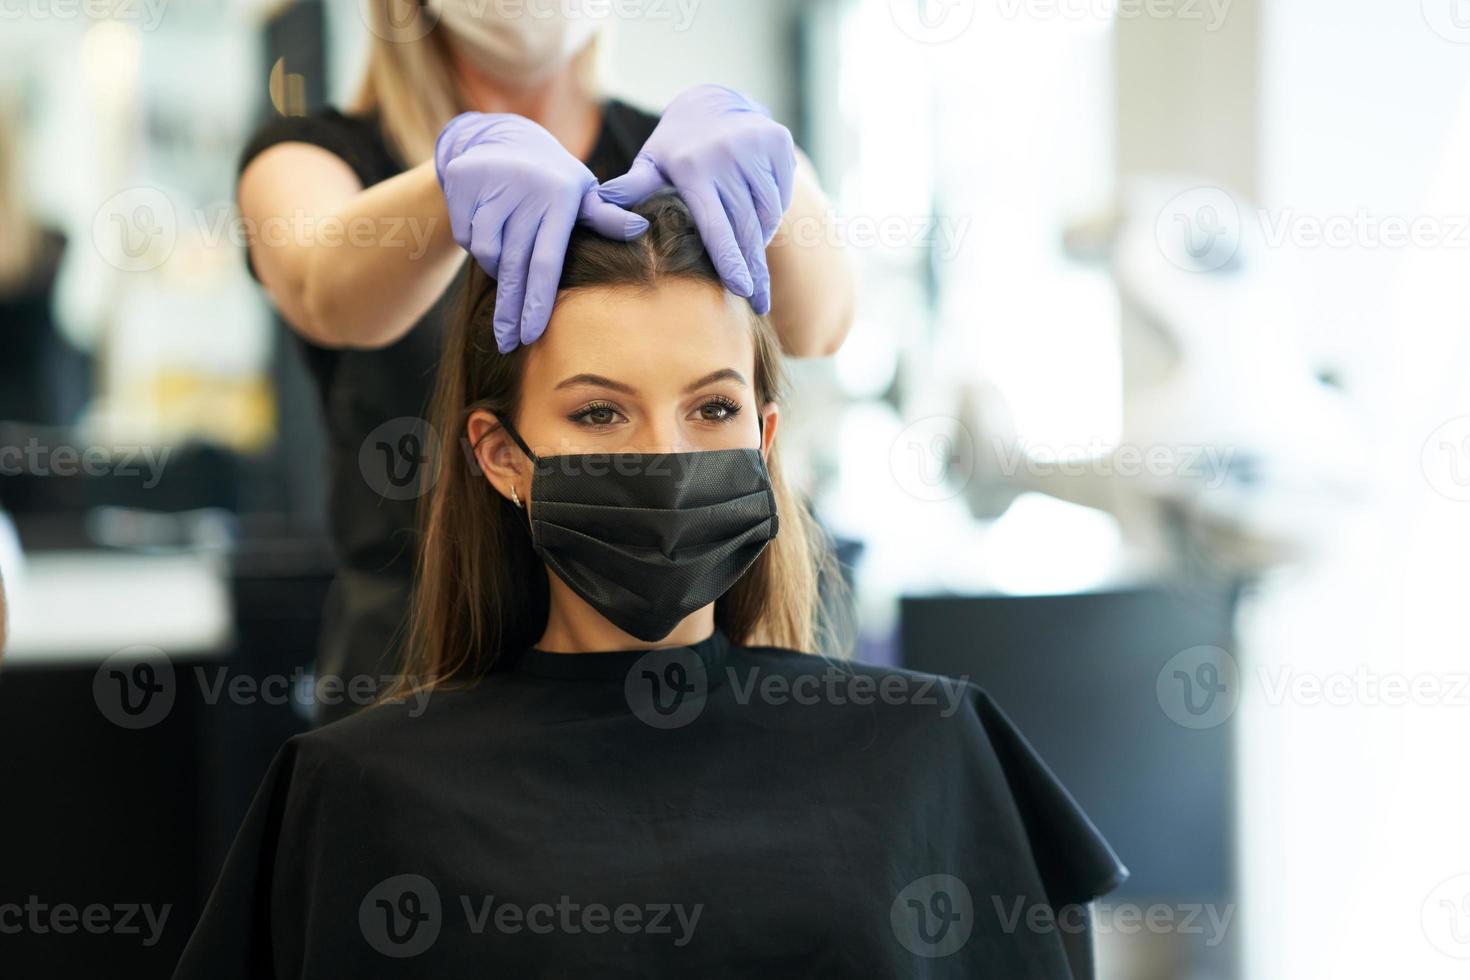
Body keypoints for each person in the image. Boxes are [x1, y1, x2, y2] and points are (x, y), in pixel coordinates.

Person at [172, 195, 1125, 979]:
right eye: (599, 413)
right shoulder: (364, 792)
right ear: (502, 457)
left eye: (712, 407)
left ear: (763, 439)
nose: (666, 457)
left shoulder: (928, 750)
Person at [236, 2, 856, 725]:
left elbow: (822, 323)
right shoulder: (314, 157)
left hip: (687, 666)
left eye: (713, 410)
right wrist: (453, 185)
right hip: (421, 670)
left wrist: (772, 167)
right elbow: (324, 292)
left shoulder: (686, 155)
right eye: (599, 411)